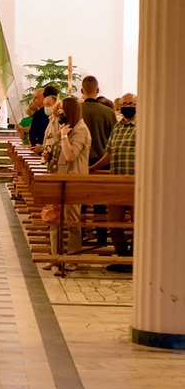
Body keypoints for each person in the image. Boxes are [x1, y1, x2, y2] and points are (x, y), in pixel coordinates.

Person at [90, 93, 137, 272]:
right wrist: (93, 168)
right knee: (113, 222)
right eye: (124, 103)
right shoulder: (117, 127)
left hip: (135, 183)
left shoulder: (143, 126)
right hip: (116, 182)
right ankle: (123, 256)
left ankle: (135, 258)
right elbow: (109, 153)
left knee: (137, 223)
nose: (127, 106)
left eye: (131, 103)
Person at [47, 97, 91, 275]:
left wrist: (65, 135)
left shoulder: (81, 130)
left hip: (74, 179)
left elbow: (70, 155)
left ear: (71, 110)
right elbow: (57, 146)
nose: (60, 112)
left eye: (63, 109)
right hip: (60, 178)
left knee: (72, 221)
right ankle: (55, 257)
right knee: (54, 220)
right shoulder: (68, 127)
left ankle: (72, 259)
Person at [81, 75, 117, 246]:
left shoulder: (76, 110)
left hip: (80, 162)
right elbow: (114, 139)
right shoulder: (108, 112)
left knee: (78, 201)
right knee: (100, 204)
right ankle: (101, 239)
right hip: (103, 162)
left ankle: (79, 236)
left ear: (81, 91)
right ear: (98, 90)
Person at [29, 86, 56, 151]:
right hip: (41, 148)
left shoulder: (58, 118)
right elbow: (32, 134)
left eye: (36, 97)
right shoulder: (39, 114)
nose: (33, 99)